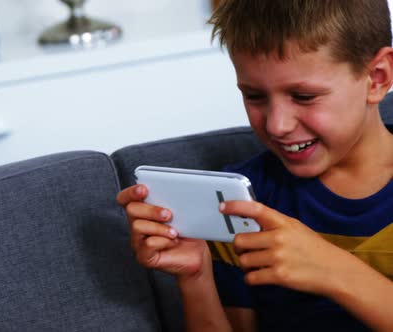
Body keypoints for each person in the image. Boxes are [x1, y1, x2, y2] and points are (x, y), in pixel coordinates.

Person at [116, 1, 393, 331]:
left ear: (377, 78)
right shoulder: (241, 205)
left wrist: (334, 270)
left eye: (303, 96)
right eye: (255, 97)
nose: (277, 125)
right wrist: (196, 276)